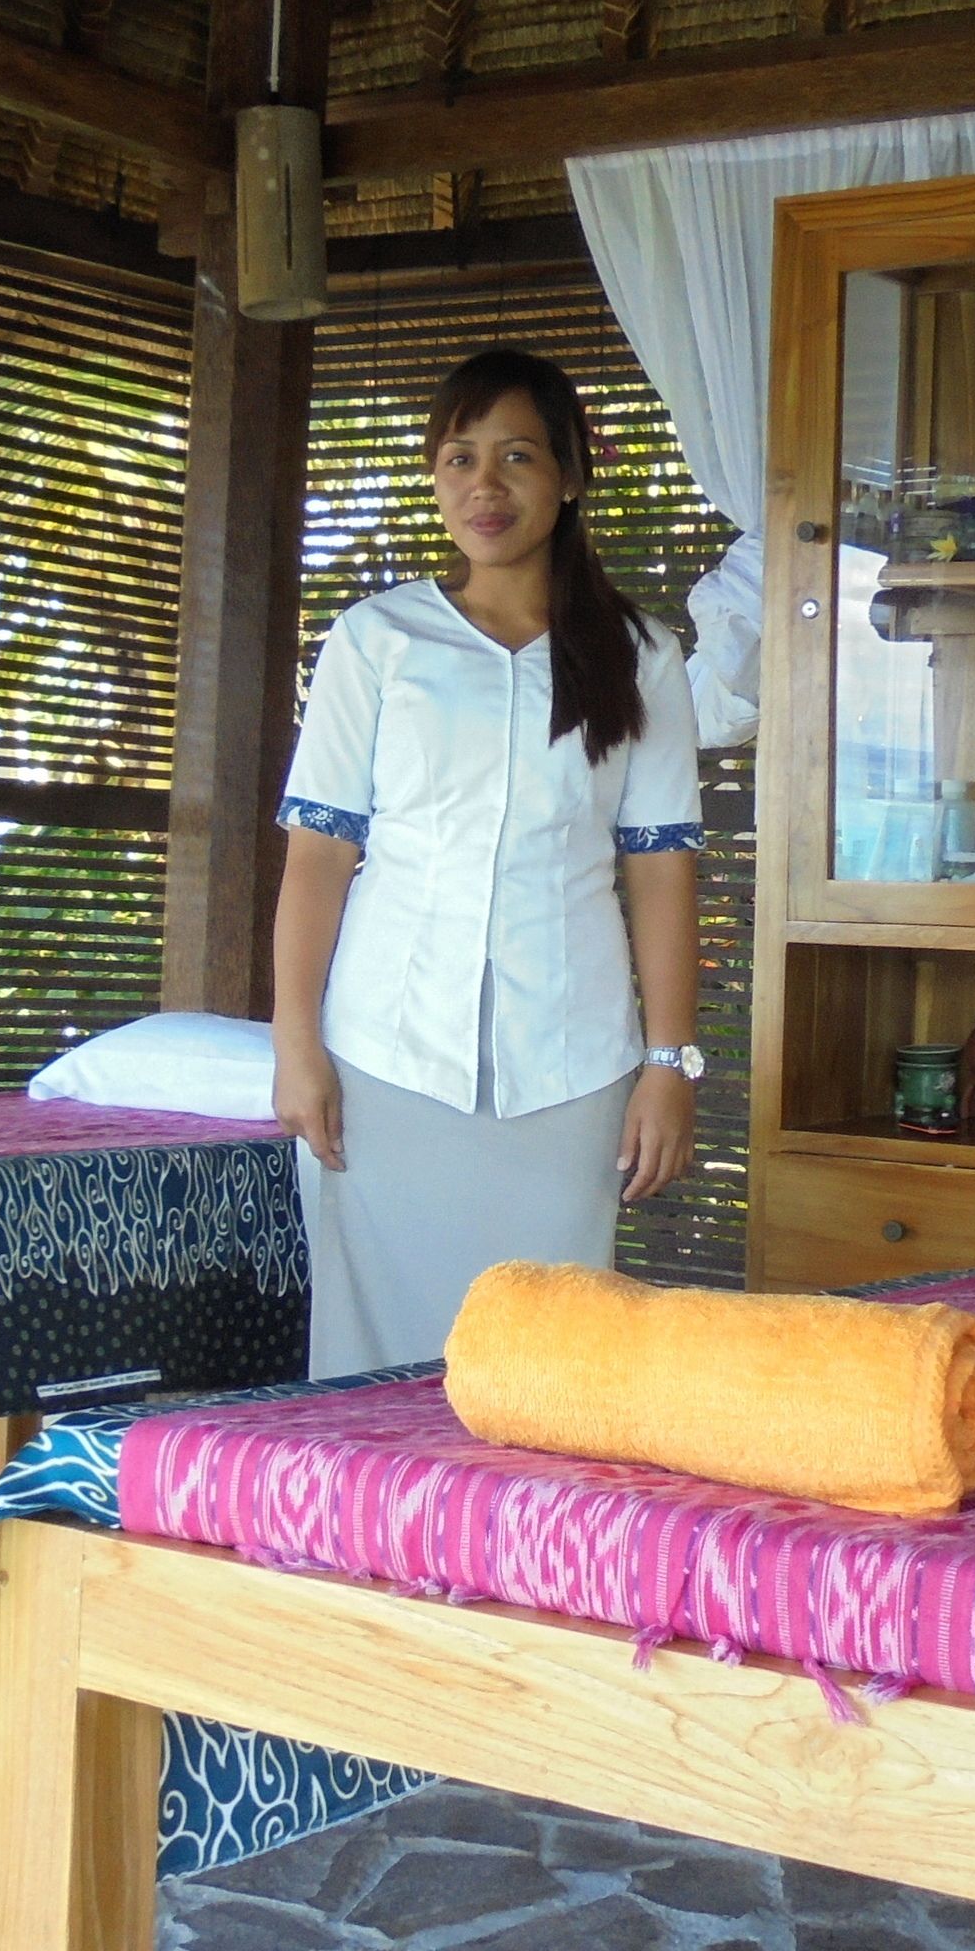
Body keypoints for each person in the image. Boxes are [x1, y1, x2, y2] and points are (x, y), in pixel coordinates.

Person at [271, 346, 704, 1377]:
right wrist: (298, 1045)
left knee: (554, 1366)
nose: (484, 485)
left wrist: (671, 1064)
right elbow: (320, 856)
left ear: (569, 475)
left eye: (516, 457)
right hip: (384, 1059)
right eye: (459, 458)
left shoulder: (641, 654)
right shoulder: (376, 641)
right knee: (371, 1364)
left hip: (571, 1066)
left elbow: (661, 870)